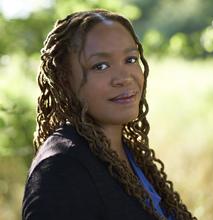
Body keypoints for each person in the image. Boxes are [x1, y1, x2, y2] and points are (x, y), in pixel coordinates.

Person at [22, 9, 197, 220]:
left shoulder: (127, 153)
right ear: (64, 81)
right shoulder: (61, 169)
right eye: (101, 66)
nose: (124, 78)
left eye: (131, 59)